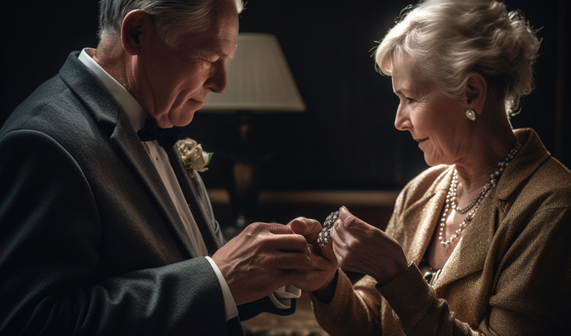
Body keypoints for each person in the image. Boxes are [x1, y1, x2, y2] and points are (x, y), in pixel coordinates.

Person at [0, 0, 332, 334]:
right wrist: (220, 279)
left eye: (226, 60)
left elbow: (198, 275)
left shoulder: (157, 115)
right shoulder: (41, 141)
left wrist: (281, 268)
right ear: (138, 33)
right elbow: (34, 322)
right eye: (208, 57)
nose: (221, 83)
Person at [303, 0, 571, 335]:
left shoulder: (553, 208)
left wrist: (397, 276)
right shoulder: (421, 191)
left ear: (471, 93)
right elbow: (375, 323)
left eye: (412, 99)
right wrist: (326, 281)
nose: (399, 120)